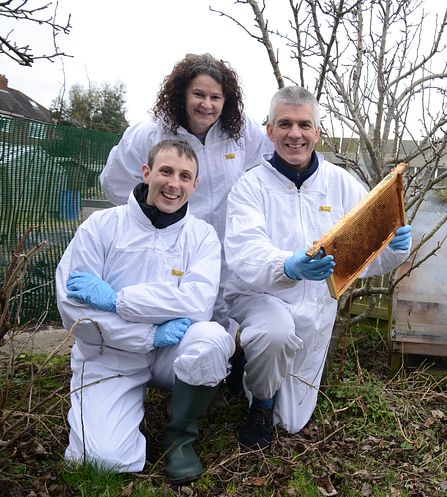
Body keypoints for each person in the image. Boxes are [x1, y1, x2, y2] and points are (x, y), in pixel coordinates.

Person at [223, 86, 413, 449]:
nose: (295, 133)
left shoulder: (340, 184)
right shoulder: (250, 186)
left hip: (317, 308)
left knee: (292, 421)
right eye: (285, 124)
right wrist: (287, 266)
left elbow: (365, 255)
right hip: (262, 298)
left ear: (317, 132)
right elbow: (245, 253)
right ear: (270, 131)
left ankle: (249, 371)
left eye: (304, 125)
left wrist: (393, 250)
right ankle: (259, 404)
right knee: (274, 337)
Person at [57, 140, 235, 483]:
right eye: (166, 171)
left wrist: (116, 300)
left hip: (170, 350)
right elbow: (75, 311)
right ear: (146, 172)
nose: (174, 184)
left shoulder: (201, 236)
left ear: (194, 185)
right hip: (109, 353)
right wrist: (147, 333)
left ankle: (180, 437)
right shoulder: (101, 226)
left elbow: (198, 304)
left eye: (185, 176)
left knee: (212, 338)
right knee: (102, 460)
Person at [99, 53, 273, 329]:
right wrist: (152, 222)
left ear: (226, 101)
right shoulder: (151, 134)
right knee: (177, 320)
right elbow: (114, 182)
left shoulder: (241, 133)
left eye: (215, 97)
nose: (207, 105)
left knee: (225, 328)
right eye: (198, 95)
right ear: (182, 94)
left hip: (227, 248)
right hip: (173, 247)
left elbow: (272, 161)